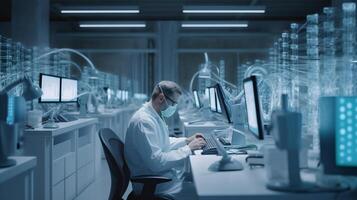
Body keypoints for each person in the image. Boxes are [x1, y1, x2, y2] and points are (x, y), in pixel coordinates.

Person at [125, 80, 206, 198]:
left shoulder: (153, 115)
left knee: (198, 179)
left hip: (161, 177)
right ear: (162, 98)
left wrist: (186, 141)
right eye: (173, 103)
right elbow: (157, 162)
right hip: (154, 184)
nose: (173, 107)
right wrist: (188, 149)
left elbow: (163, 142)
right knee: (203, 192)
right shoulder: (143, 121)